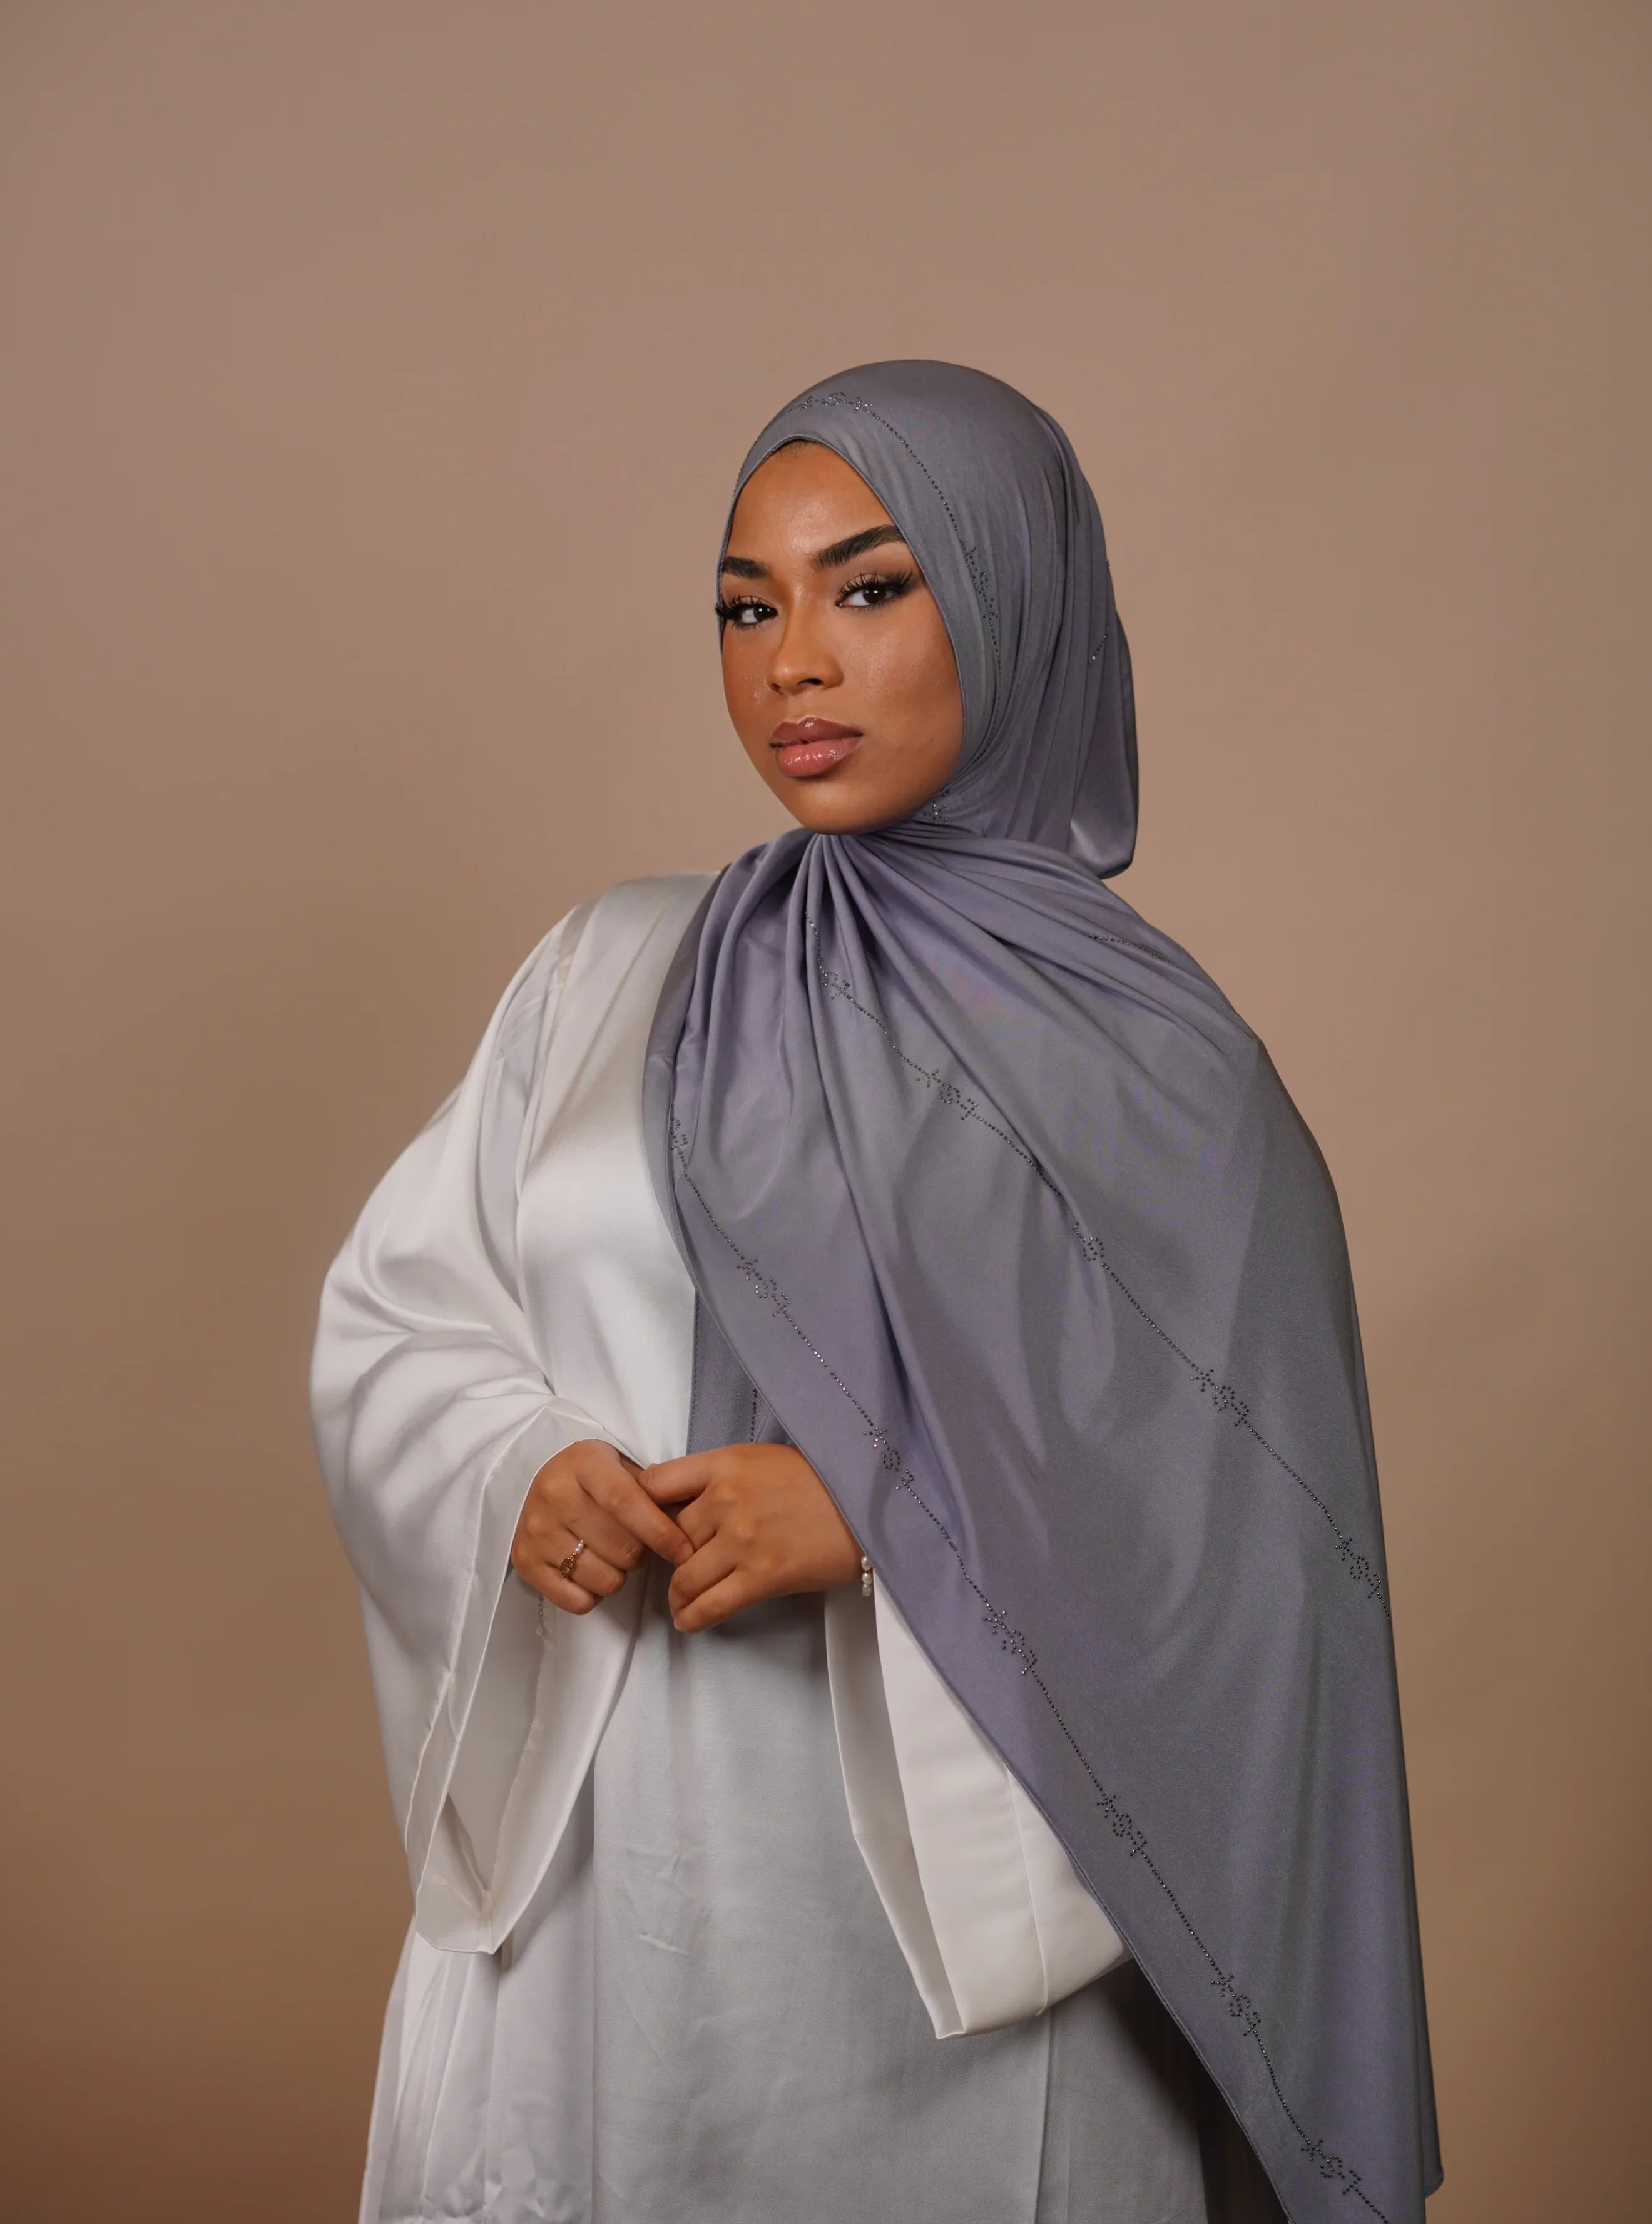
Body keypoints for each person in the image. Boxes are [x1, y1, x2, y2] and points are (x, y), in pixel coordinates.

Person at [312, 360, 1439, 2224]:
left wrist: (884, 1508)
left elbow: (1257, 1538)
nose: (795, 665)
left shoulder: (1162, 1078)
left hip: (957, 1945)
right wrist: (512, 1462)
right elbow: (400, 1320)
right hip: (600, 1894)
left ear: (1015, 603)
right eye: (747, 608)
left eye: (872, 587)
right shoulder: (608, 974)